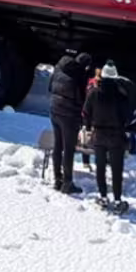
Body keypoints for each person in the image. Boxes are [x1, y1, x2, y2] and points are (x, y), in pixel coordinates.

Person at [83, 61, 133, 211]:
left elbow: (86, 113)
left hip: (98, 135)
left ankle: (103, 197)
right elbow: (127, 116)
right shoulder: (122, 95)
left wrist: (88, 127)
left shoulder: (93, 93)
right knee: (117, 170)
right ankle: (117, 200)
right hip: (116, 136)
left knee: (100, 168)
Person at [48, 51, 91, 193]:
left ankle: (57, 179)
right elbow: (83, 99)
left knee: (57, 145)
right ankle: (67, 183)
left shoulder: (58, 67)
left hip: (54, 111)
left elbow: (49, 87)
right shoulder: (80, 75)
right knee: (68, 150)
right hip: (69, 117)